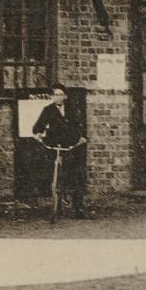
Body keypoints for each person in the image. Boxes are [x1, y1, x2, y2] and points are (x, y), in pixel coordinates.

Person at [32, 83, 89, 218]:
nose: (58, 97)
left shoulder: (72, 109)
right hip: (55, 144)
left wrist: (82, 138)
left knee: (76, 173)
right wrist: (38, 135)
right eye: (55, 95)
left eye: (60, 95)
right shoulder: (47, 110)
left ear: (65, 96)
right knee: (52, 171)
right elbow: (37, 127)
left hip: (70, 145)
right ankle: (55, 204)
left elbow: (80, 125)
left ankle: (78, 207)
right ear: (52, 97)